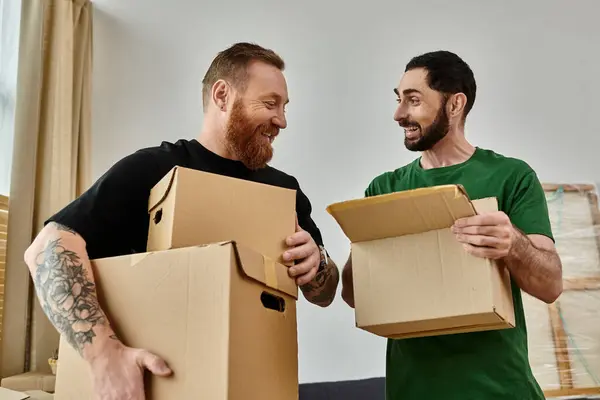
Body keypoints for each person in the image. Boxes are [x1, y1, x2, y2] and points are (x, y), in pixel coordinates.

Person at [24, 42, 339, 400]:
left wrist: (319, 263)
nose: (282, 120)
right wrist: (104, 356)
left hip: (259, 383)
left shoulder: (284, 189)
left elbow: (324, 294)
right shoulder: (155, 170)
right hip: (161, 385)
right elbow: (47, 248)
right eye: (270, 104)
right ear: (222, 95)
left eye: (284, 107)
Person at [341, 50, 563, 400]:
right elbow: (353, 296)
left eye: (413, 100)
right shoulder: (383, 190)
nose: (399, 114)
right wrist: (366, 249)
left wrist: (513, 244)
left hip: (500, 391)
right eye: (399, 100)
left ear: (455, 104)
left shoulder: (510, 176)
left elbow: (550, 284)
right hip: (412, 392)